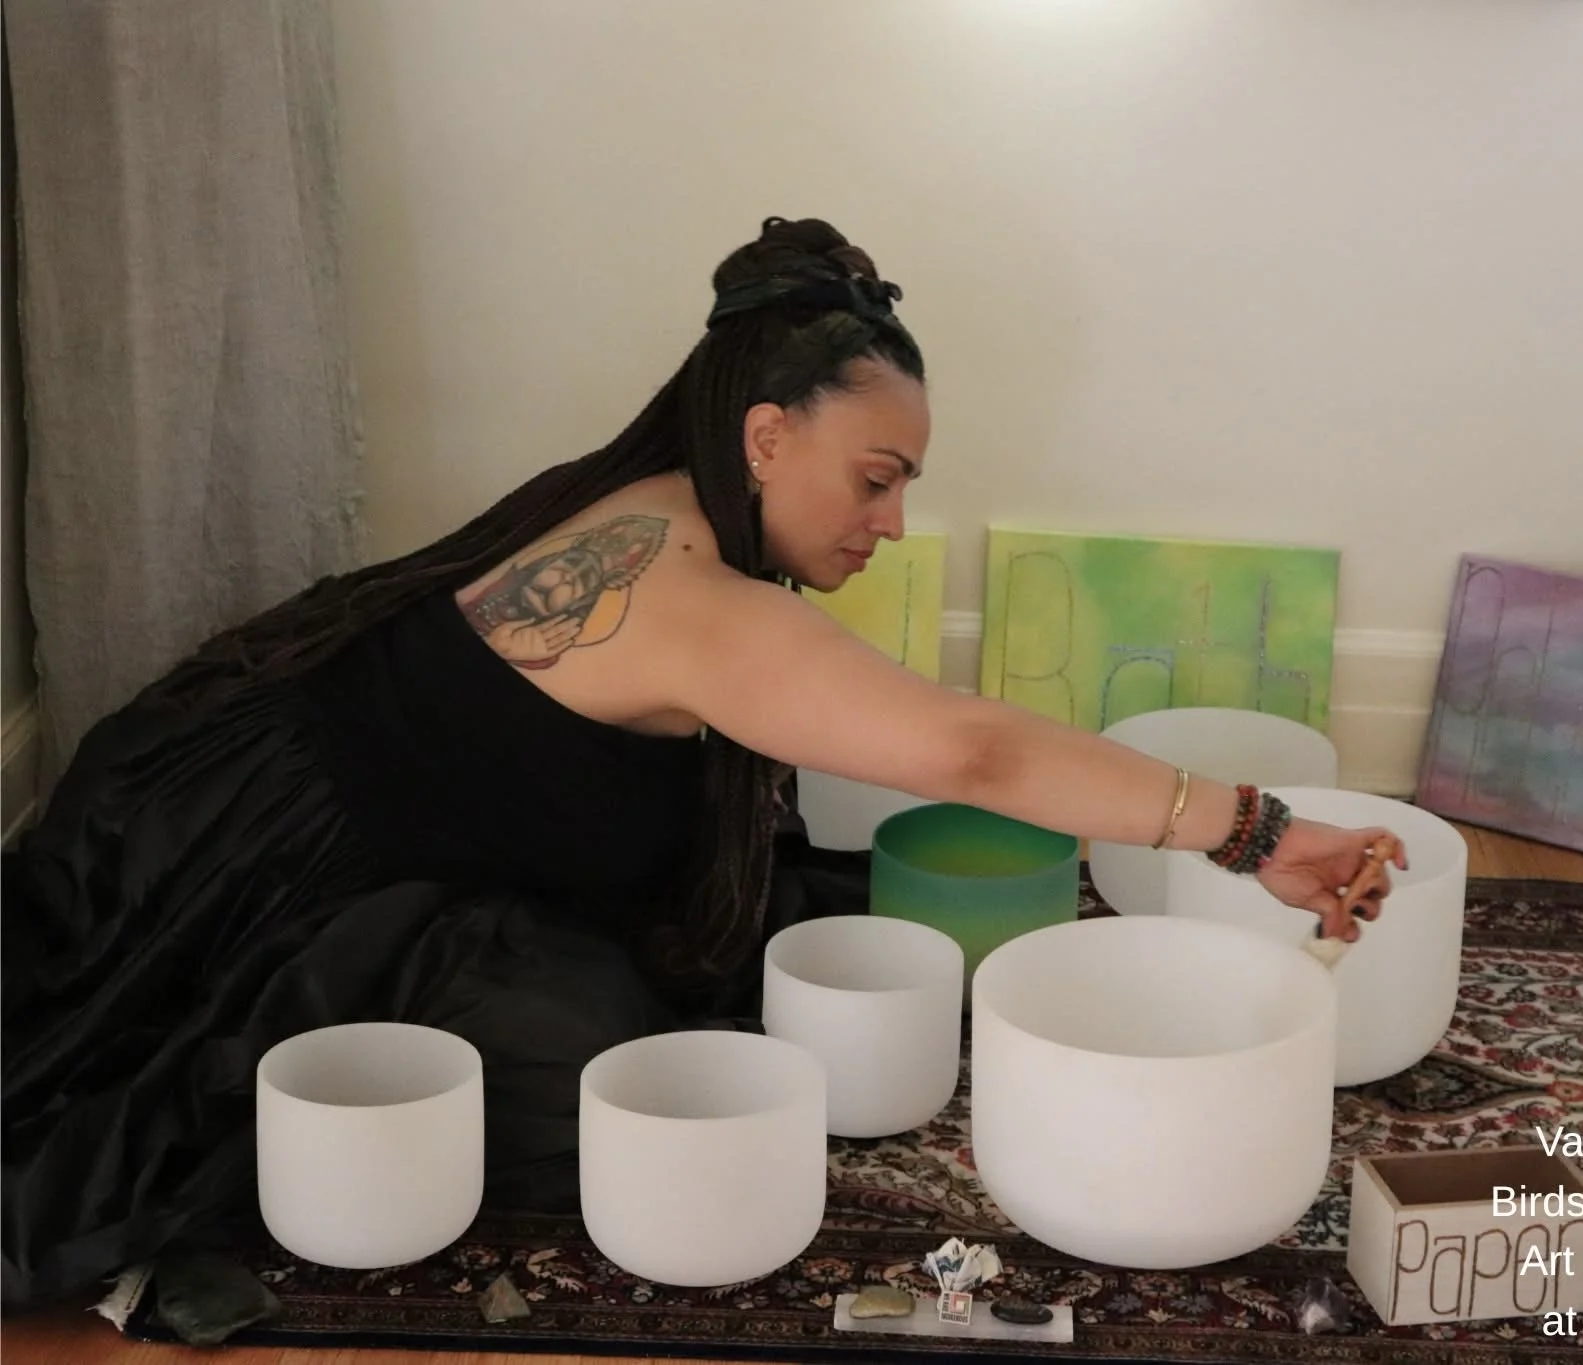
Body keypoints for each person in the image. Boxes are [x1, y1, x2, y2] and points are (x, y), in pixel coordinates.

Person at [0, 216, 1406, 1309]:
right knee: (618, 1076)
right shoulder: (688, 598)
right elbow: (967, 747)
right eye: (876, 478)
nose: (897, 523)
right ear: (766, 436)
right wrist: (1253, 830)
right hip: (252, 860)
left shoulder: (667, 504)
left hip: (243, 784)